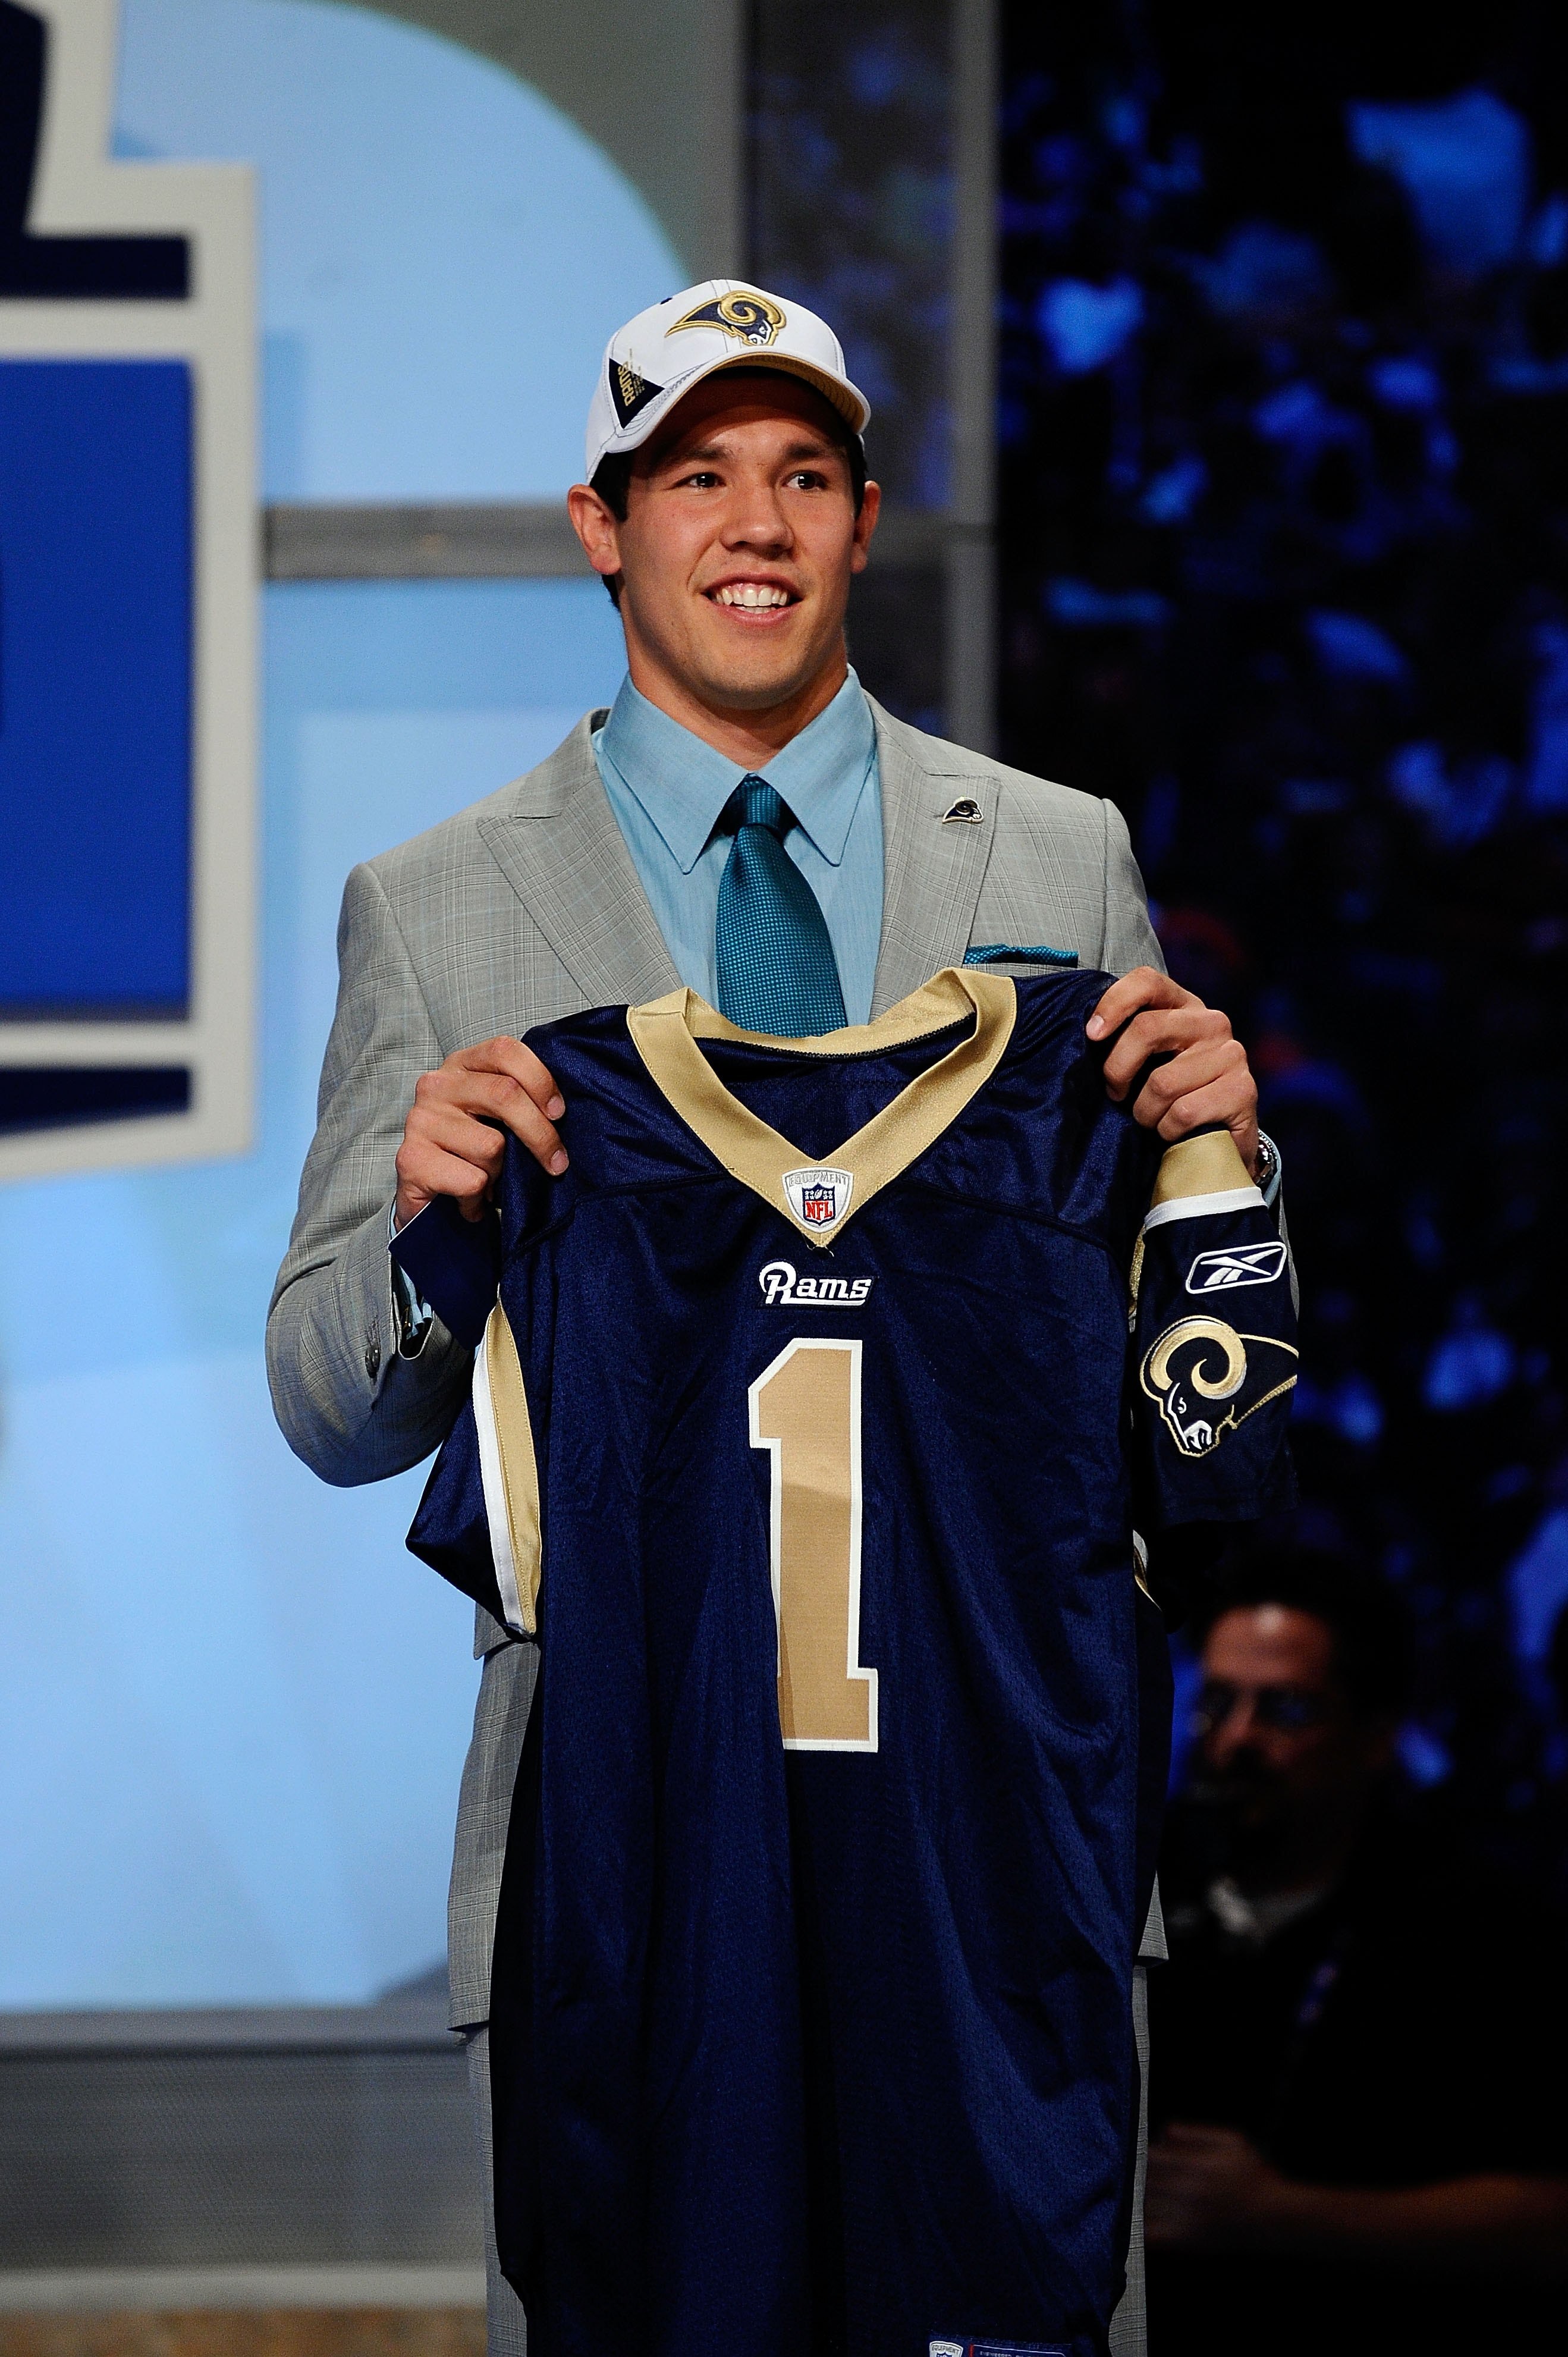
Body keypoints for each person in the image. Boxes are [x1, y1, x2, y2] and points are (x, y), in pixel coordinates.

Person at [267, 278, 1274, 2355]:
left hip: (989, 1844)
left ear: (863, 517)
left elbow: (1175, 1389)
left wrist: (1228, 1173)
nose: (754, 519)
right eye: (698, 473)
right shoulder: (434, 903)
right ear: (596, 520)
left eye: (800, 474)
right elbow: (326, 1398)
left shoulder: (1062, 855)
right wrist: (419, 1215)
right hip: (630, 1854)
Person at [1148, 1547, 1568, 2356]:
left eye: (1285, 1712)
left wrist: (1281, 2216)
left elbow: (1551, 2220)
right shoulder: (1131, 1896)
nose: (1236, 1739)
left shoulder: (1476, 1933)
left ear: (1374, 1736)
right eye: (1218, 1704)